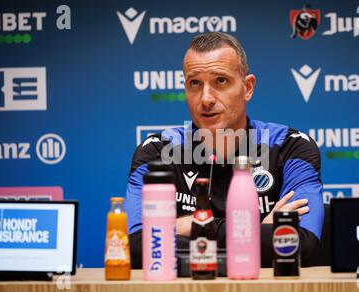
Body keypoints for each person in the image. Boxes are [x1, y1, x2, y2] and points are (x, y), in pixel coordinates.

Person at [125, 32, 324, 269]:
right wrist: (258, 231)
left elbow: (302, 245)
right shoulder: (157, 152)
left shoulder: (291, 146)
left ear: (248, 87)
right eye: (195, 83)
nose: (206, 99)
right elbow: (137, 247)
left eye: (220, 81)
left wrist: (186, 226)